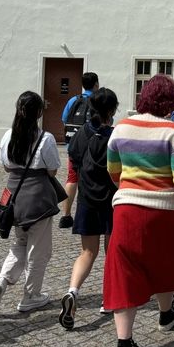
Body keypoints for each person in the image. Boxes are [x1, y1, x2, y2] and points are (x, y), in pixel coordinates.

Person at [105, 74, 174, 347]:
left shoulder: (121, 129)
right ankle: (166, 312)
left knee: (124, 272)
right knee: (165, 262)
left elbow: (113, 171)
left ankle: (124, 342)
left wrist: (128, 188)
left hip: (126, 209)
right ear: (171, 103)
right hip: (165, 211)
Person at [0, 91, 61, 313]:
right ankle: (31, 295)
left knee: (19, 244)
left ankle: (2, 281)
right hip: (38, 199)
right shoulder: (44, 138)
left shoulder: (8, 135)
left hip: (14, 196)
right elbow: (53, 170)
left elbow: (6, 166)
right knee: (39, 250)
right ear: (38, 113)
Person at [59, 88, 119, 330]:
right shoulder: (113, 137)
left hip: (87, 201)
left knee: (87, 252)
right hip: (111, 201)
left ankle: (73, 292)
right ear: (112, 111)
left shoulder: (81, 134)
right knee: (111, 252)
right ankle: (109, 300)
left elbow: (74, 163)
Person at [60, 72, 100, 229]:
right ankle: (91, 214)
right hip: (92, 147)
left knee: (72, 179)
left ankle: (66, 216)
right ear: (96, 84)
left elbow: (64, 119)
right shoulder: (98, 100)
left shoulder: (73, 100)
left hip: (74, 148)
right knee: (93, 179)